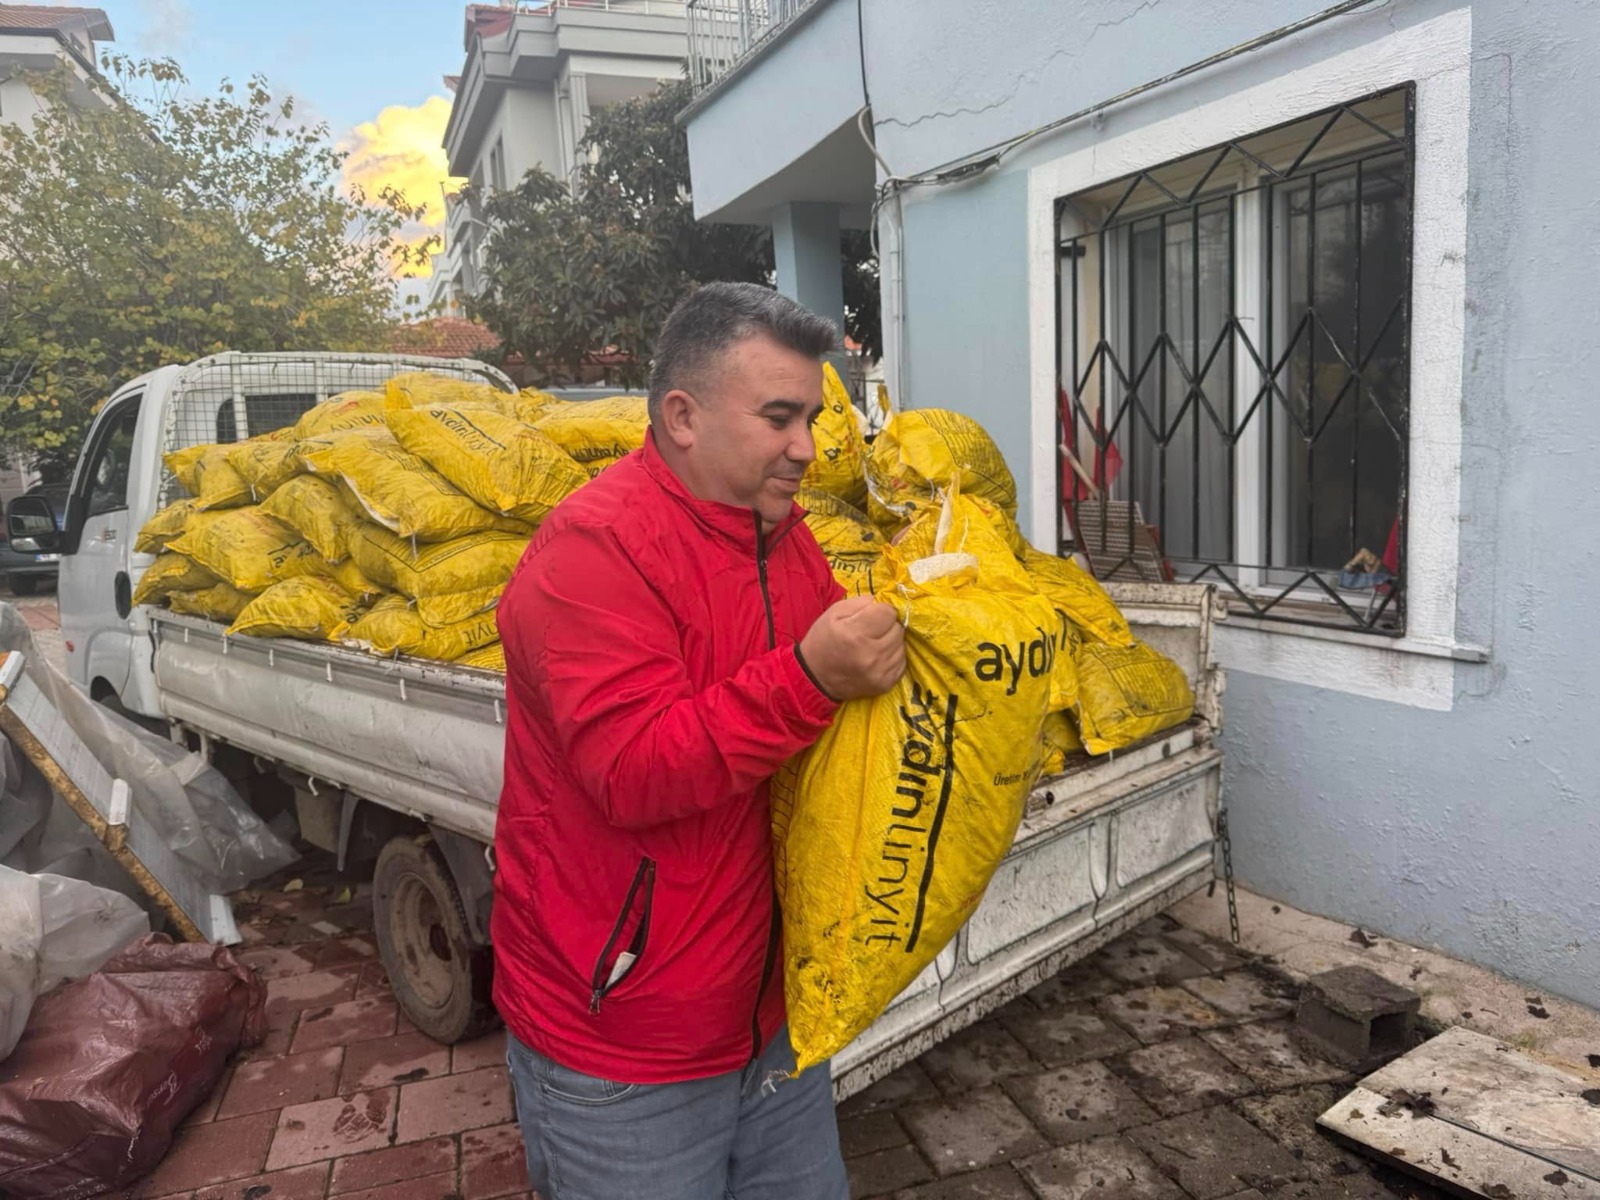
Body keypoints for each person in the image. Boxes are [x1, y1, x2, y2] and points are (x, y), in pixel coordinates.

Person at [493, 282, 907, 1199]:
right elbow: (633, 770)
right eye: (779, 417)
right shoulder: (594, 551)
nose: (805, 447)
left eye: (811, 417)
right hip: (627, 1045)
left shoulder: (782, 540)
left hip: (772, 1019)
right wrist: (809, 678)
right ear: (682, 416)